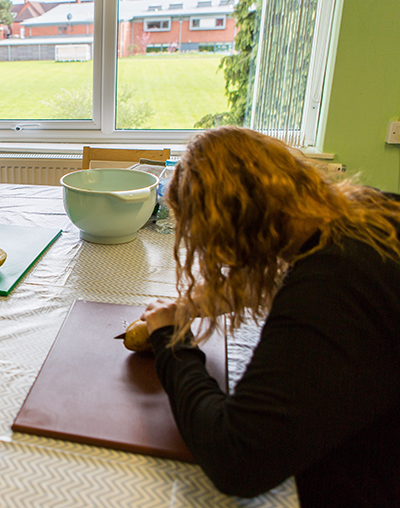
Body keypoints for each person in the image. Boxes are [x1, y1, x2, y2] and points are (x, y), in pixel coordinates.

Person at [140, 127, 400, 506]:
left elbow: (238, 461)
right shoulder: (368, 210)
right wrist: (239, 288)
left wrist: (171, 340)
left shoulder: (331, 286)